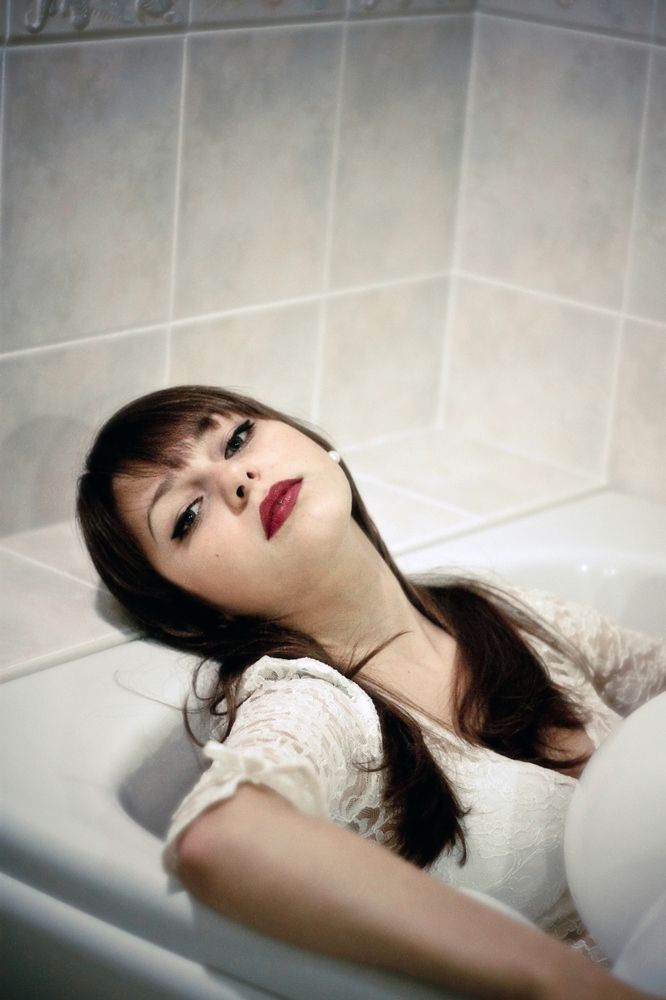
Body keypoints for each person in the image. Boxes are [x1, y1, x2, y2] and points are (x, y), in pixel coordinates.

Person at [77, 385, 665, 1000]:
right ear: (196, 610)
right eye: (188, 515)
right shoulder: (312, 699)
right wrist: (553, 978)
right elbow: (222, 839)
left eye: (237, 439)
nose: (236, 479)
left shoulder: (496, 614)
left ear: (314, 442)